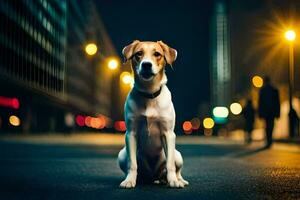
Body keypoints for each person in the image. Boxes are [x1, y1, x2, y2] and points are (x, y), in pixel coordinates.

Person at [258, 76, 280, 148]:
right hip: (272, 112)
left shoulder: (263, 90)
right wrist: (277, 113)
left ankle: (268, 140)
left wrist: (260, 114)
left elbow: (260, 103)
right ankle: (270, 139)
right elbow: (277, 103)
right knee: (271, 126)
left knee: (267, 126)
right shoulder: (274, 90)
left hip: (266, 112)